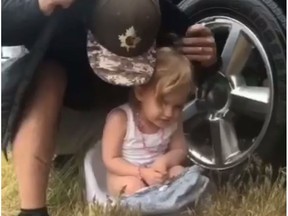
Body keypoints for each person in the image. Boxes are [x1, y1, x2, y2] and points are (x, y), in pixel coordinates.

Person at [2, 0, 219, 215]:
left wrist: (208, 59)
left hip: (121, 125)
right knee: (49, 75)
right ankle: (32, 209)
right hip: (57, 121)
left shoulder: (150, 9)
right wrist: (38, 6)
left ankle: (157, 193)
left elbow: (185, 63)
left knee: (156, 79)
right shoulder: (67, 9)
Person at [102, 47, 194, 196]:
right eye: (163, 102)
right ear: (140, 92)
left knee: (179, 172)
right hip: (128, 174)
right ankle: (154, 204)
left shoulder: (173, 121)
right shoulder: (121, 119)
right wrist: (141, 173)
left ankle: (166, 203)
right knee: (133, 186)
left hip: (159, 175)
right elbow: (111, 160)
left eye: (178, 106)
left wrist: (165, 162)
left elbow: (180, 150)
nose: (169, 113)